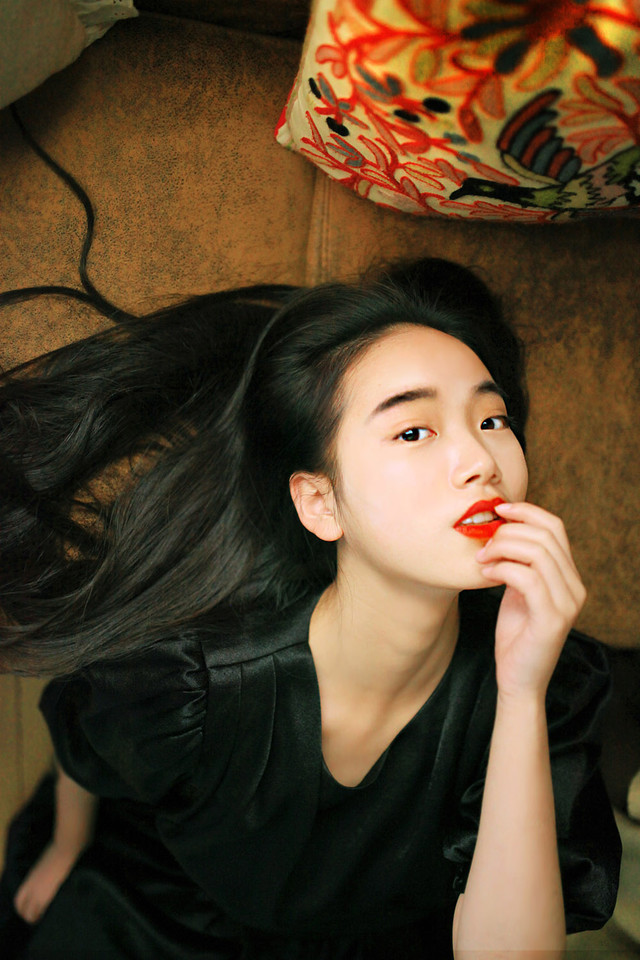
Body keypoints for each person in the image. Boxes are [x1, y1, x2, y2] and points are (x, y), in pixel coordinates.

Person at [0, 254, 621, 959]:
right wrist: (66, 845)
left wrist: (522, 692)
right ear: (321, 503)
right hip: (167, 924)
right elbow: (88, 747)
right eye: (414, 431)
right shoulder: (194, 676)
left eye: (493, 418)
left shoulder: (547, 686)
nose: (481, 460)